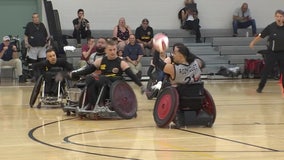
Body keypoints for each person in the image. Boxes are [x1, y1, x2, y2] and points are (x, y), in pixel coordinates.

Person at [70, 40, 145, 109]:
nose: (112, 52)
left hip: (115, 85)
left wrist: (140, 85)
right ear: (106, 51)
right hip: (102, 82)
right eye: (110, 50)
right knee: (89, 78)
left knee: (103, 78)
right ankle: (92, 103)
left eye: (114, 50)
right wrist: (75, 73)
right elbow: (88, 70)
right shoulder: (101, 60)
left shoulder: (121, 62)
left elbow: (131, 75)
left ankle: (101, 103)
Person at [249, 9, 284, 93]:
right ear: (275, 17)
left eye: (281, 16)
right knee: (266, 71)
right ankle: (260, 87)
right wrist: (253, 42)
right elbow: (261, 35)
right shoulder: (271, 27)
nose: (279, 18)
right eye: (277, 16)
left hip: (283, 53)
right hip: (272, 53)